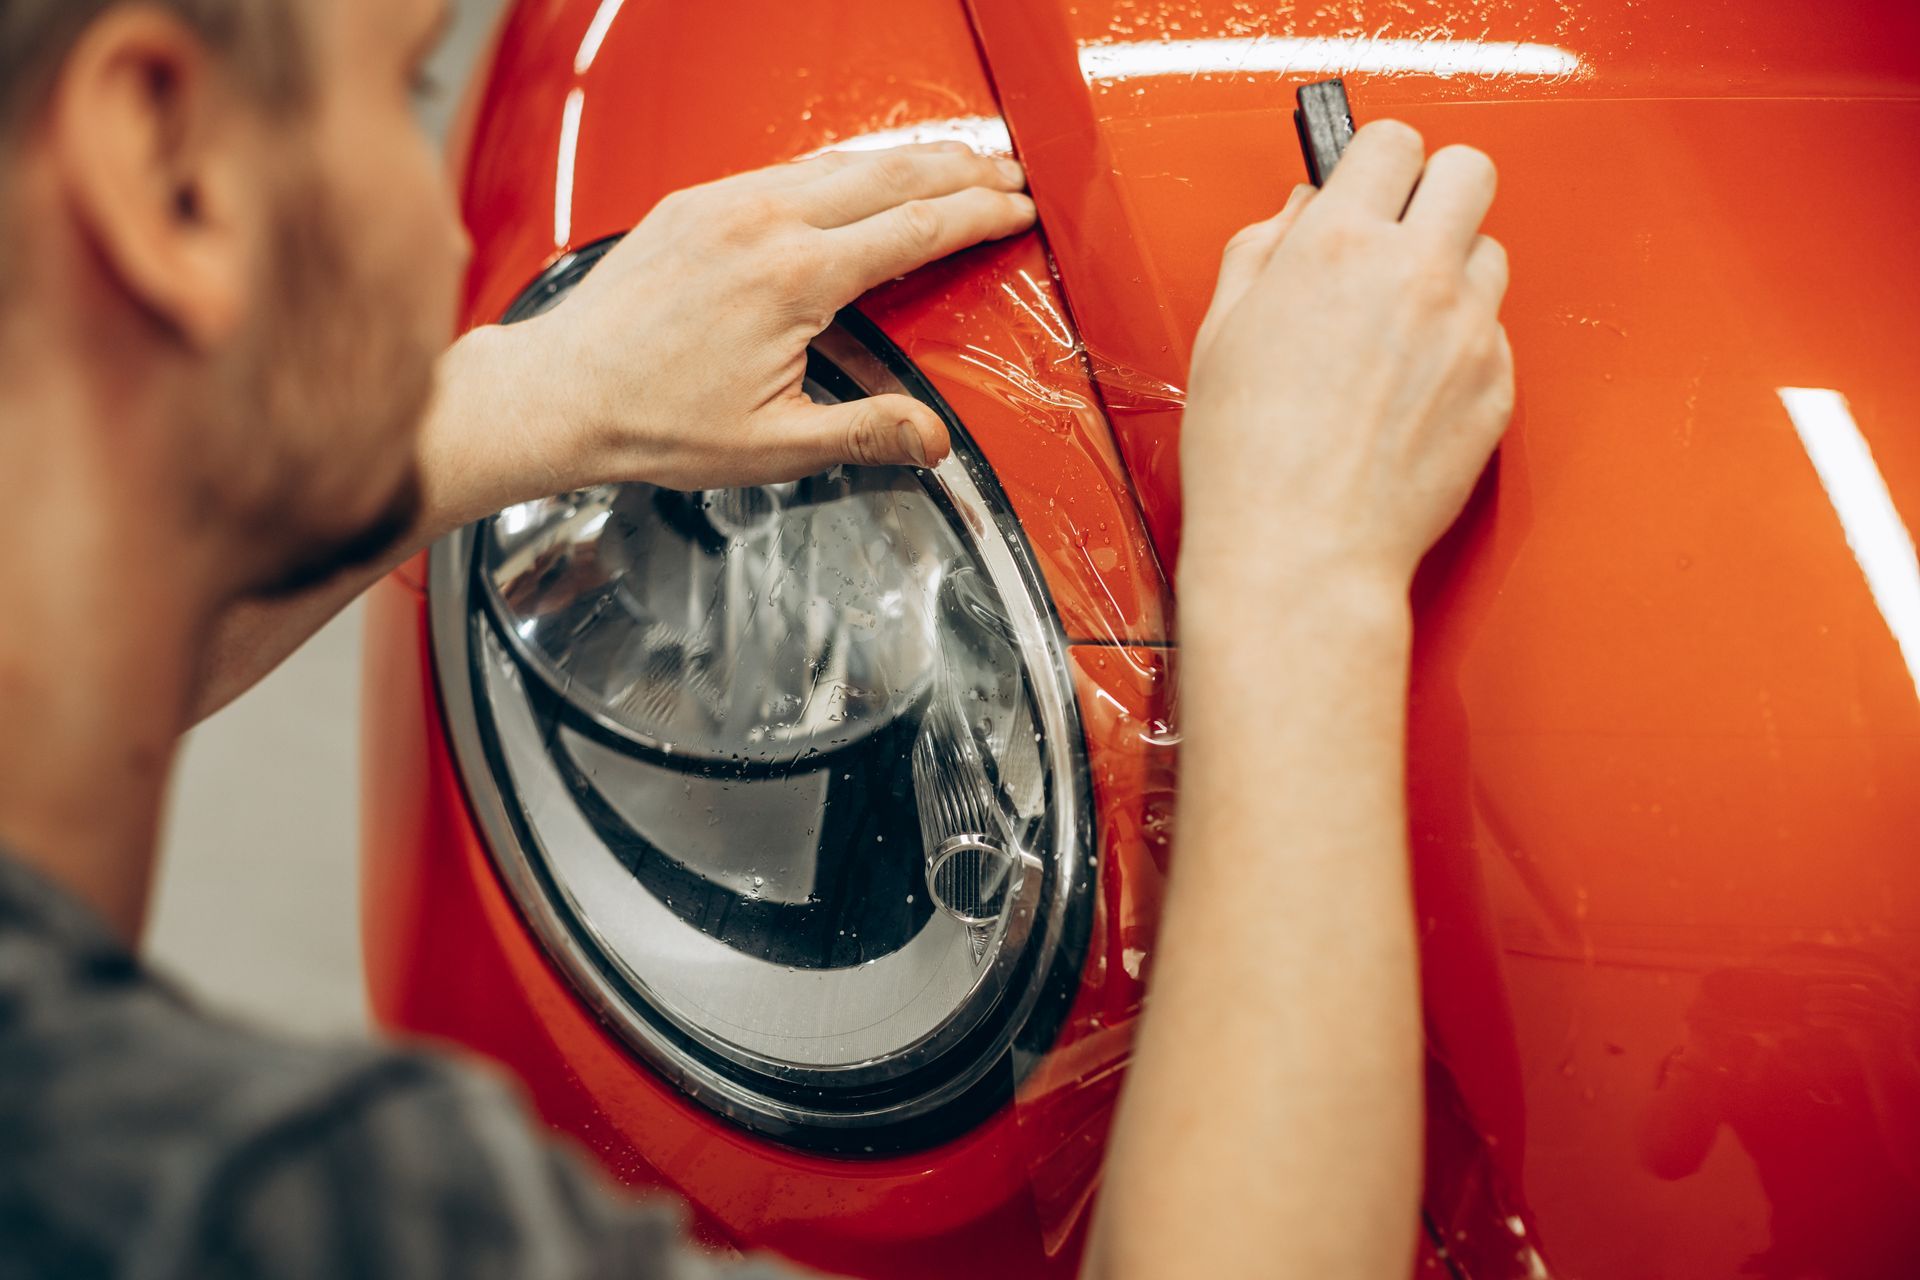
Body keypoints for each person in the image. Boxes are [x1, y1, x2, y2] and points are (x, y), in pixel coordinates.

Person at [0, 1, 1512, 1277]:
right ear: (164, 167)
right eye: (403, 94)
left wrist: (533, 397)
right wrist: (1302, 568)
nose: (438, 217)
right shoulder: (271, 1210)